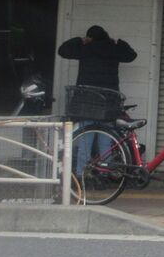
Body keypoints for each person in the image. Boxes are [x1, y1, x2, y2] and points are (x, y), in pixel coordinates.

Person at [58, 25, 137, 173]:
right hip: (108, 104)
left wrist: (80, 40)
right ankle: (103, 174)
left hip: (87, 104)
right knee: (105, 141)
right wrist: (118, 42)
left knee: (85, 142)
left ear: (90, 38)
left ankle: (81, 174)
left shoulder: (86, 49)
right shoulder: (113, 49)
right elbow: (131, 55)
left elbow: (62, 50)